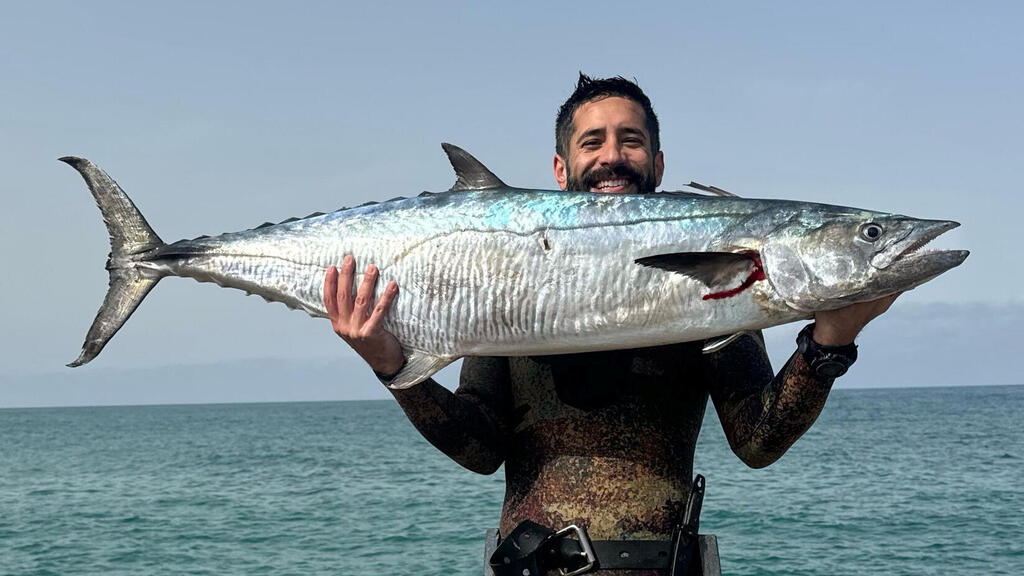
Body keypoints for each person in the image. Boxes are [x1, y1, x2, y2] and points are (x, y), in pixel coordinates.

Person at [322, 74, 897, 574]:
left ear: (659, 161)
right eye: (591, 141)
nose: (612, 155)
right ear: (560, 167)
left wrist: (829, 343)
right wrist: (392, 366)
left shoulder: (714, 282)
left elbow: (757, 439)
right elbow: (478, 447)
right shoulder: (511, 278)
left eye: (632, 139)